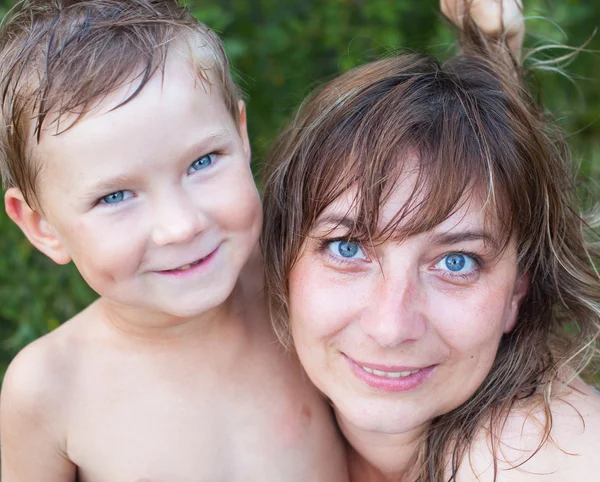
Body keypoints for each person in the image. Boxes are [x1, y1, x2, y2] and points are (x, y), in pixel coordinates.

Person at [0, 1, 348, 480]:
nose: (181, 226)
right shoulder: (49, 387)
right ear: (42, 227)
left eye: (202, 162)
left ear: (241, 136)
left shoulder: (304, 288)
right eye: (116, 196)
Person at [261, 5, 600, 482]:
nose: (390, 327)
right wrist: (492, 56)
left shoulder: (534, 457)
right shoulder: (239, 374)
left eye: (456, 262)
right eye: (347, 248)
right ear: (281, 265)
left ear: (515, 294)